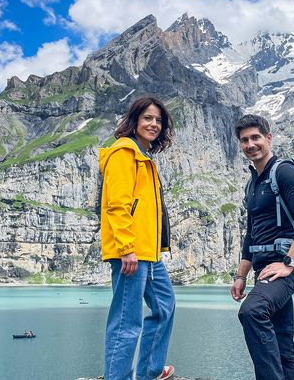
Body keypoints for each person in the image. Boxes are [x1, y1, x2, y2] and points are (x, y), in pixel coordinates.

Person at [230, 114, 294, 380]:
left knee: (252, 311)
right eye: (244, 140)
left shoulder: (285, 172)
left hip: (286, 268)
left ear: (268, 138)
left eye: (255, 137)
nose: (250, 144)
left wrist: (289, 263)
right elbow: (251, 235)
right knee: (282, 344)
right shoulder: (253, 183)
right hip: (264, 270)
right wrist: (240, 276)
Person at [99, 96, 176, 380]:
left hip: (149, 253)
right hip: (130, 252)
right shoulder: (123, 153)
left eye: (158, 120)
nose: (153, 124)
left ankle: (149, 371)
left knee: (165, 306)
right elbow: (116, 206)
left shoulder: (144, 157)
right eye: (147, 118)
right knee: (126, 321)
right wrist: (126, 248)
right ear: (134, 121)